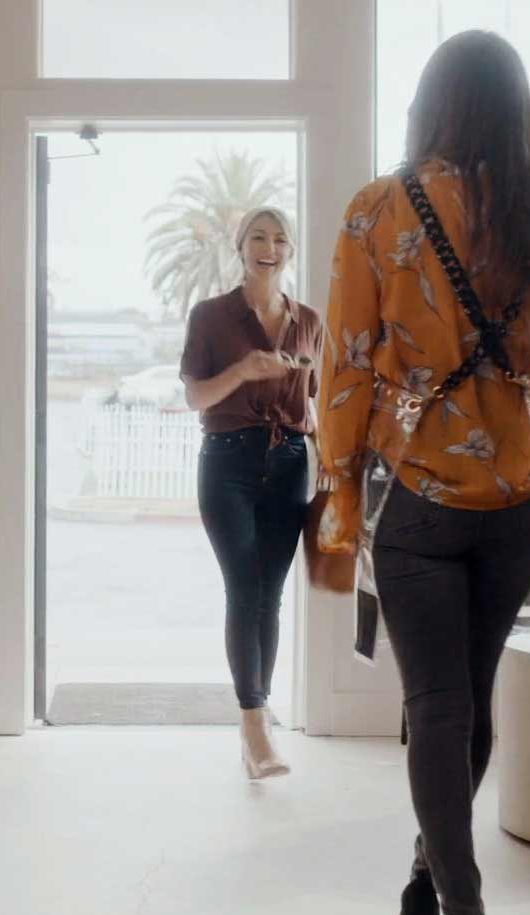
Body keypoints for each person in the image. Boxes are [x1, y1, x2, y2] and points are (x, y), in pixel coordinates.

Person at [316, 32, 530, 915]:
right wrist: (524, 414)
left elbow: (346, 368)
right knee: (470, 699)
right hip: (519, 500)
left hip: (419, 496)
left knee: (438, 705)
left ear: (431, 104)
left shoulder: (377, 211)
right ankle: (428, 876)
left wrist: (340, 488)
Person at [179, 206, 323, 780]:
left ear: (291, 250)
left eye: (281, 239)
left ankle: (255, 729)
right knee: (244, 590)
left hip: (290, 464)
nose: (270, 248)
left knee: (271, 595)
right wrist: (243, 370)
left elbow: (314, 401)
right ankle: (255, 727)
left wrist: (331, 463)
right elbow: (195, 397)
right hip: (228, 463)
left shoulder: (309, 320)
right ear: (240, 247)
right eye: (259, 237)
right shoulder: (211, 316)